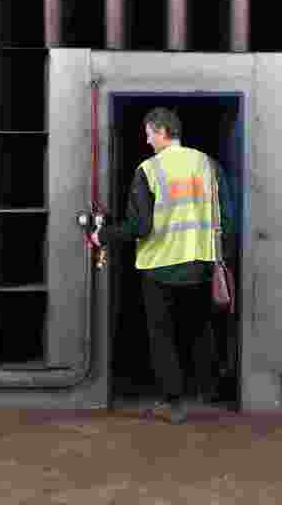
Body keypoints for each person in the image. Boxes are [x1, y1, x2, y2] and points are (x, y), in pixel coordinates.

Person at [90, 107, 233, 425]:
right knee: (197, 329)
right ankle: (207, 388)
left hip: (161, 267)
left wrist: (103, 235)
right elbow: (228, 216)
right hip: (201, 264)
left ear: (159, 131)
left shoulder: (149, 170)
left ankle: (174, 402)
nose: (146, 139)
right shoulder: (207, 164)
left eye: (148, 133)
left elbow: (139, 227)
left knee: (162, 335)